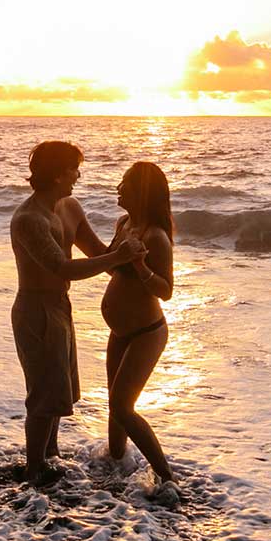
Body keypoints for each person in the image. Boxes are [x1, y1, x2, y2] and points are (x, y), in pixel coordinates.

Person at [9, 141, 143, 487]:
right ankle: (34, 469)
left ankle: (50, 455)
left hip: (61, 307)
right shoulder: (29, 219)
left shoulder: (69, 206)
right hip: (35, 308)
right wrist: (117, 257)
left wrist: (132, 235)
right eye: (73, 169)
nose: (78, 175)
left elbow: (98, 253)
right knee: (42, 395)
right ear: (56, 174)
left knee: (60, 392)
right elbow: (63, 268)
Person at [101, 161, 176, 490]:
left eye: (126, 184)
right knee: (113, 406)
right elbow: (108, 265)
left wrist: (141, 265)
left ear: (142, 194)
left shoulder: (156, 237)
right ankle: (113, 465)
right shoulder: (123, 223)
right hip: (119, 332)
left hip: (147, 333)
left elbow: (166, 290)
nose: (119, 188)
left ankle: (167, 479)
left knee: (122, 406)